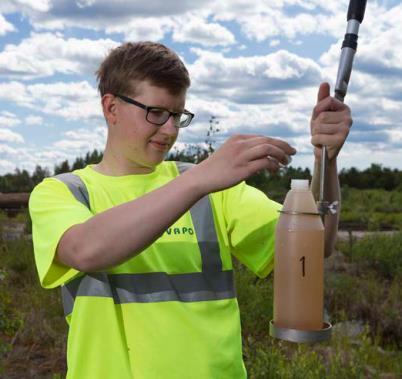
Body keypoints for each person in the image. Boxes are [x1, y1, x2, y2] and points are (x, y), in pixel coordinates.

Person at [29, 41, 352, 378]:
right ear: (111, 108)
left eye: (177, 115)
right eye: (155, 113)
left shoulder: (213, 189)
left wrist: (325, 161)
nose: (169, 130)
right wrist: (199, 179)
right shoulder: (65, 192)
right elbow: (85, 250)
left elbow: (312, 247)